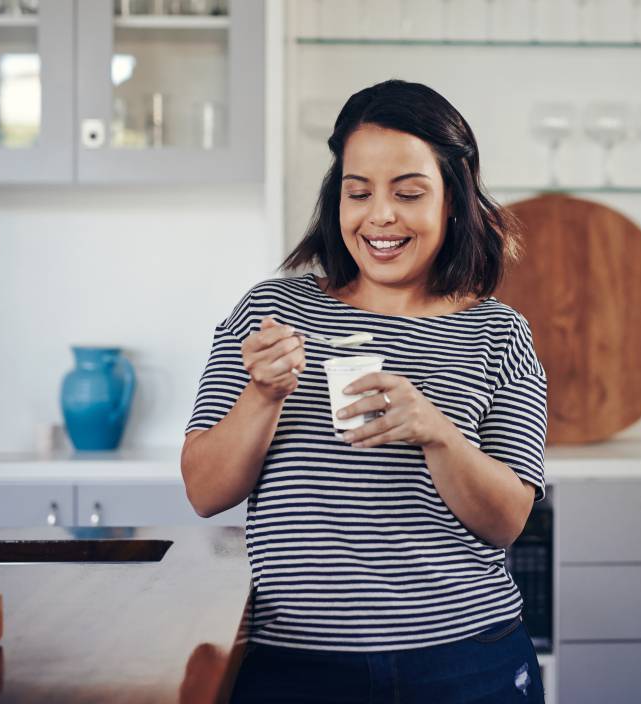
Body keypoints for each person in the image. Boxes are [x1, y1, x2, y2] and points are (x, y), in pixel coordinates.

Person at [181, 79, 549, 703]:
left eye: (409, 193)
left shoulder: (498, 332)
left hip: (466, 662)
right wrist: (264, 396)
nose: (381, 215)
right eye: (359, 192)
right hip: (295, 665)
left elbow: (507, 521)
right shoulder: (270, 312)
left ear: (452, 200)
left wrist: (436, 432)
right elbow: (204, 491)